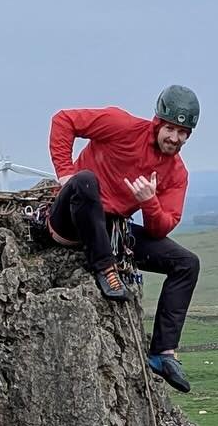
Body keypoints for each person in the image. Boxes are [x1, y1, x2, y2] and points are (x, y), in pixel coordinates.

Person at [44, 86, 201, 393]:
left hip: (113, 231)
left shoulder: (176, 173)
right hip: (72, 218)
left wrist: (149, 202)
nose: (175, 138)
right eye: (170, 128)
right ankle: (105, 269)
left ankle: (163, 353)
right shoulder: (121, 125)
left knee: (187, 264)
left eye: (183, 133)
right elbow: (63, 120)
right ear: (158, 123)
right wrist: (65, 173)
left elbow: (161, 227)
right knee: (86, 180)